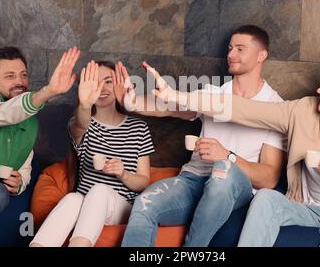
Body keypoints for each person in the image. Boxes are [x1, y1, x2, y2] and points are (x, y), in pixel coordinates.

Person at [146, 51, 320, 246]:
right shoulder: (304, 111)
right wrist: (178, 96)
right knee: (268, 199)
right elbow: (243, 109)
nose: (319, 89)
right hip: (309, 210)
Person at [120, 25, 287, 247]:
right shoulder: (212, 94)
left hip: (234, 187)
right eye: (230, 48)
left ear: (261, 55)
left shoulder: (275, 107)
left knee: (223, 171)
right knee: (144, 204)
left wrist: (227, 156)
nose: (230, 54)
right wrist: (131, 103)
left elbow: (269, 178)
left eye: (240, 49)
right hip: (193, 180)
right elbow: (169, 106)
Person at [0, 46, 80, 245]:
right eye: (10, 76)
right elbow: (2, 113)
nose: (19, 82)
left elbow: (25, 163)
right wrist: (47, 92)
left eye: (23, 75)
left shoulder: (29, 122)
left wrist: (19, 182)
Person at [30, 61, 155, 247]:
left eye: (108, 82)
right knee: (72, 198)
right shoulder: (83, 123)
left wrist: (123, 173)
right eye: (95, 82)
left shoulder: (139, 128)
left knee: (100, 190)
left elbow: (143, 182)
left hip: (121, 207)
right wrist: (85, 105)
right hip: (85, 203)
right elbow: (80, 124)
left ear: (120, 85)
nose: (102, 88)